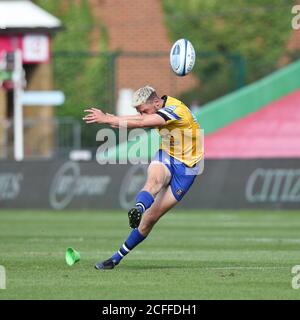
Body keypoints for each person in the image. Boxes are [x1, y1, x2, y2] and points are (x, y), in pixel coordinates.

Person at [83, 85, 204, 269]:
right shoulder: (157, 108)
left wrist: (108, 118)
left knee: (151, 218)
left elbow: (140, 123)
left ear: (156, 103)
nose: (142, 115)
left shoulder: (176, 110)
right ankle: (138, 208)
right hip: (167, 154)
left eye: (143, 111)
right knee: (153, 181)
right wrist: (108, 120)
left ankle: (117, 256)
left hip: (187, 169)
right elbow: (136, 121)